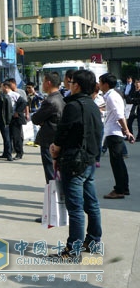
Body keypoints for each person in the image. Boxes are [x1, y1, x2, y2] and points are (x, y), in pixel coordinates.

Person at [49, 69, 103, 259]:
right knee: (92, 204)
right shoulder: (93, 106)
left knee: (76, 208)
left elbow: (62, 133)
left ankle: (74, 250)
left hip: (75, 162)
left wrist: (56, 148)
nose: (68, 85)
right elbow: (98, 133)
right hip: (89, 161)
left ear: (77, 85)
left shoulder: (73, 106)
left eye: (70, 83)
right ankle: (93, 240)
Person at [98, 73, 135, 199]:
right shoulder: (111, 95)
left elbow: (119, 115)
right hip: (114, 132)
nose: (99, 85)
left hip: (114, 132)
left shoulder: (111, 96)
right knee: (119, 162)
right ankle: (124, 188)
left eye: (100, 82)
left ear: (106, 84)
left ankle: (119, 190)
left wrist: (127, 131)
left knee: (116, 163)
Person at [32, 72, 66, 184]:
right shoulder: (61, 98)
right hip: (58, 138)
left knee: (51, 171)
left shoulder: (50, 101)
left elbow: (36, 118)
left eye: (43, 82)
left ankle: (54, 196)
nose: (42, 85)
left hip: (49, 139)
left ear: (49, 83)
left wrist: (42, 121)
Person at [3, 81, 26, 160]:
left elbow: (24, 103)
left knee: (17, 137)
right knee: (8, 137)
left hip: (15, 119)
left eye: (3, 87)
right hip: (9, 118)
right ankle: (7, 152)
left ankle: (19, 153)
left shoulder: (14, 95)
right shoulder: (4, 96)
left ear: (6, 87)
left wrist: (18, 112)